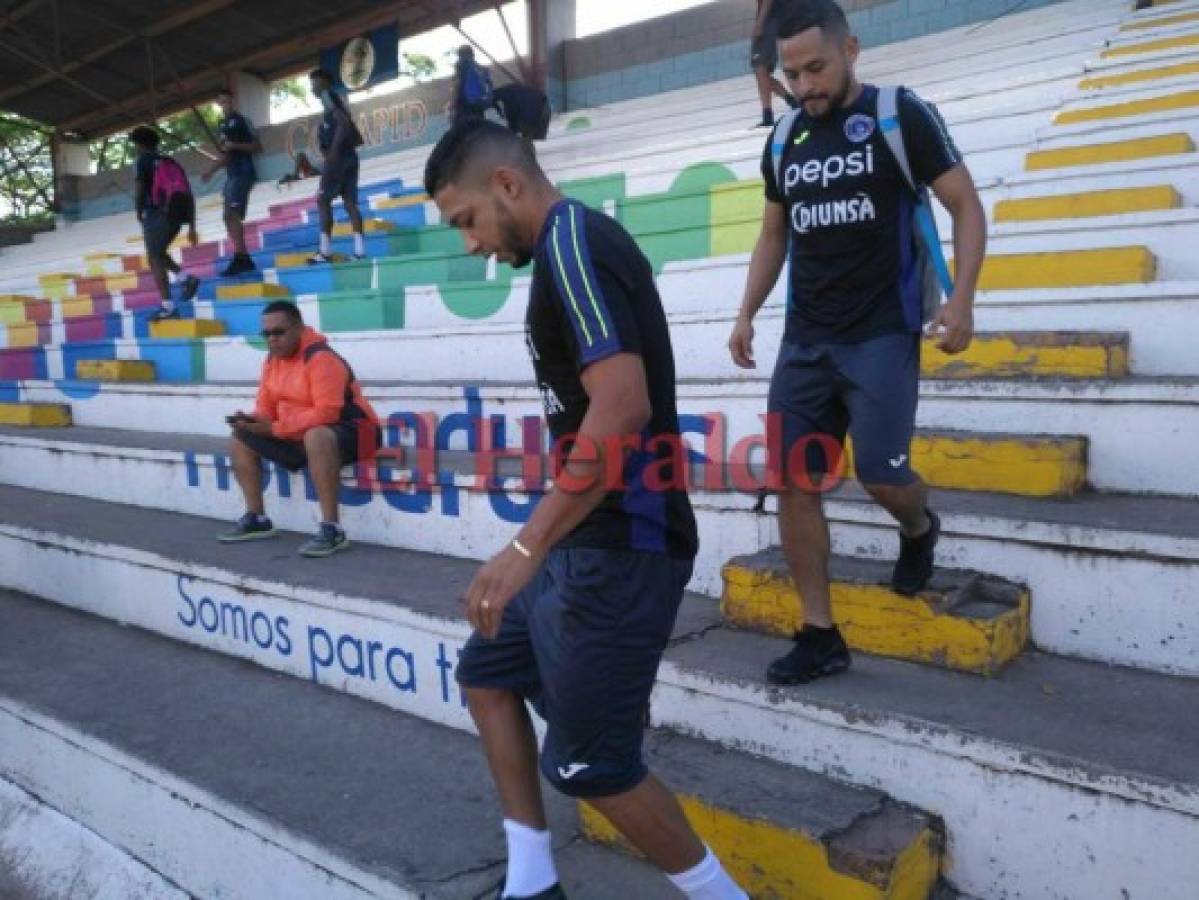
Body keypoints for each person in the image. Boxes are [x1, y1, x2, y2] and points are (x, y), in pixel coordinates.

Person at [425, 119, 749, 900]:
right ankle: (533, 882)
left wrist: (525, 546)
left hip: (624, 544)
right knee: (486, 674)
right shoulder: (565, 252)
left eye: (465, 220)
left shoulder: (573, 243)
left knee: (592, 768)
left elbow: (622, 406)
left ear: (506, 185)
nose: (469, 244)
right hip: (588, 535)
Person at [727, 0, 987, 685]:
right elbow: (773, 233)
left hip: (881, 333)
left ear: (850, 49)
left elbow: (964, 203)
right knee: (791, 482)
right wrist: (746, 313)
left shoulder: (901, 116)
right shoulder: (784, 139)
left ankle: (915, 528)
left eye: (816, 66)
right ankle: (819, 633)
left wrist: (961, 298)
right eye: (792, 72)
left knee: (882, 475)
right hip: (805, 340)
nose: (805, 84)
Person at [219, 300, 381, 558]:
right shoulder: (273, 360)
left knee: (317, 435)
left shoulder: (321, 358)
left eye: (279, 332)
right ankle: (257, 518)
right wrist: (252, 421)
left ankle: (332, 529)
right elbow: (265, 407)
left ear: (299, 328)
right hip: (300, 433)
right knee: (242, 436)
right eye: (266, 334)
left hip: (358, 431)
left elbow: (328, 413)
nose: (272, 339)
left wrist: (274, 429)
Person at [129, 126, 200, 322]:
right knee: (159, 254)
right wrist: (192, 226)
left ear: (139, 144)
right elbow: (188, 192)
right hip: (176, 216)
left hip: (156, 214)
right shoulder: (170, 161)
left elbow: (140, 187)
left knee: (154, 258)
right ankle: (186, 279)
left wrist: (138, 211)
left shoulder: (143, 161)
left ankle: (168, 306)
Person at [306, 69, 367, 265]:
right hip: (350, 157)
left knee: (323, 200)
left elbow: (343, 124)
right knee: (350, 203)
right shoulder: (333, 103)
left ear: (325, 82)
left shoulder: (327, 96)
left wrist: (332, 151)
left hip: (339, 158)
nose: (312, 87)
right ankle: (359, 252)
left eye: (315, 82)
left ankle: (325, 252)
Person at [201, 87, 261, 277]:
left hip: (244, 172)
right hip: (231, 175)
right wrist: (211, 170)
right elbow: (226, 156)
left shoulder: (243, 121)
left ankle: (242, 257)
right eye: (221, 102)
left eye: (227, 100)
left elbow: (257, 146)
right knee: (227, 216)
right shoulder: (221, 126)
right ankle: (241, 256)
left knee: (233, 214)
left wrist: (235, 145)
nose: (224, 104)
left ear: (233, 101)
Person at [751, 0, 799, 127]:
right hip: (772, 20)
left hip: (769, 22)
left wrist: (760, 24)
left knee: (760, 67)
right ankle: (792, 101)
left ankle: (767, 115)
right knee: (761, 72)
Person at [447, 45, 494, 125]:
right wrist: (488, 99)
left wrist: (452, 105)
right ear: (473, 54)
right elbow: (489, 85)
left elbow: (457, 86)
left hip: (465, 105)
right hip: (480, 104)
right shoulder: (482, 69)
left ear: (460, 55)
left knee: (454, 131)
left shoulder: (461, 65)